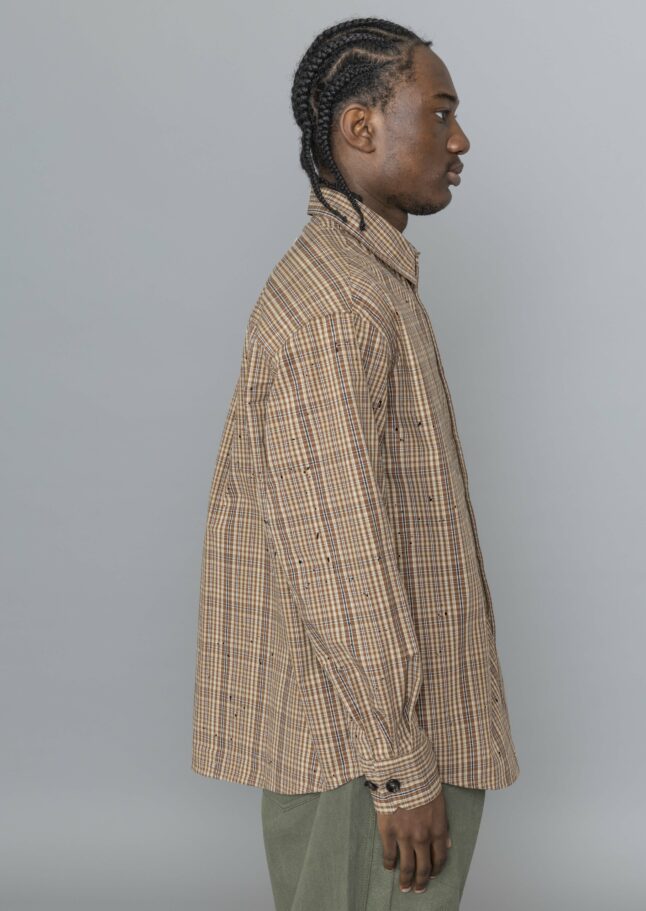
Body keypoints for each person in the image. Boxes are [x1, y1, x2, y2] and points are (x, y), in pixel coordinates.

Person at [191, 17, 520, 910]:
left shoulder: (365, 282)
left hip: (376, 745)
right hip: (364, 761)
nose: (459, 139)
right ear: (360, 127)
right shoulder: (337, 306)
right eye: (439, 112)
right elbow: (338, 562)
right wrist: (400, 769)